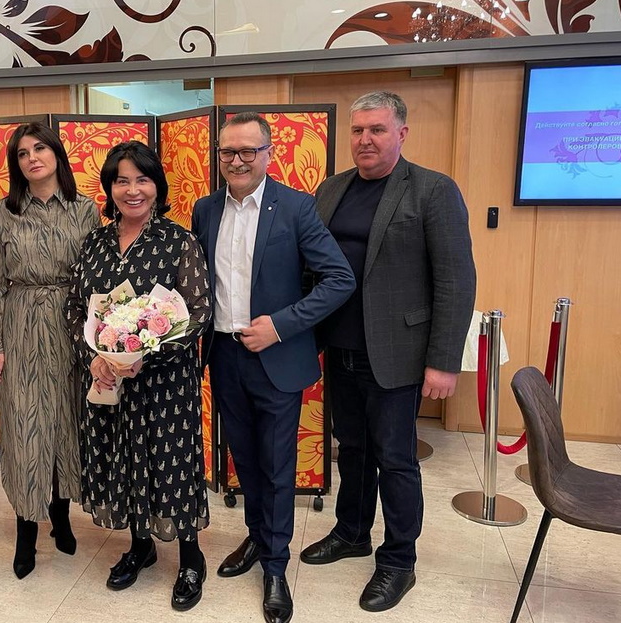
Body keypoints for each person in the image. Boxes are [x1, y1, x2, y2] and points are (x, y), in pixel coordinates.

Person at [300, 91, 476, 612]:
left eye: (377, 129)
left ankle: (399, 560)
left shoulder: (433, 190)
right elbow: (311, 265)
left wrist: (443, 361)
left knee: (396, 459)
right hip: (339, 348)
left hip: (398, 354)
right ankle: (351, 532)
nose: (365, 139)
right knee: (351, 449)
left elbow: (455, 280)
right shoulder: (331, 189)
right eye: (357, 130)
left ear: (401, 133)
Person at [191, 112, 355, 623]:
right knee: (244, 461)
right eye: (228, 152)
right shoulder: (205, 209)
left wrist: (280, 326)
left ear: (269, 153)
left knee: (278, 467)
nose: (237, 160)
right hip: (224, 356)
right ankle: (258, 538)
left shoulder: (297, 207)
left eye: (248, 151)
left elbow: (339, 279)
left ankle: (277, 567)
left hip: (276, 358)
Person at [64, 141, 212, 611]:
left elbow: (198, 312)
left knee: (171, 464)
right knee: (123, 459)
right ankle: (140, 545)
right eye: (121, 181)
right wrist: (93, 355)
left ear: (157, 187)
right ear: (109, 188)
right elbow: (75, 307)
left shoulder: (179, 241)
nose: (132, 190)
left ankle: (190, 557)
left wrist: (147, 357)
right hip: (108, 381)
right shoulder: (95, 242)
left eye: (142, 180)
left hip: (165, 382)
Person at [0, 122, 100, 579]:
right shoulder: (3, 212)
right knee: (26, 428)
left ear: (57, 155)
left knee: (69, 423)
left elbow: (97, 276)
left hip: (73, 327)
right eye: (22, 153)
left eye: (40, 149)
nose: (32, 158)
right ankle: (26, 530)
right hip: (21, 325)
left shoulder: (85, 209)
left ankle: (62, 515)